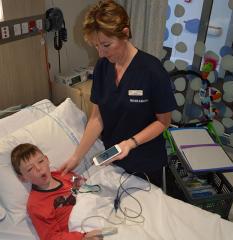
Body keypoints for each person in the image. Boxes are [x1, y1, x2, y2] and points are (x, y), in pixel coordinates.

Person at [60, 0, 177, 188]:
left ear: (125, 33)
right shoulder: (103, 67)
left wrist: (130, 143)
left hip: (145, 161)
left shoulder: (152, 71)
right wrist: (76, 157)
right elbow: (97, 118)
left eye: (106, 45)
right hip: (114, 159)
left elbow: (163, 122)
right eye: (96, 46)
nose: (100, 53)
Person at [11, 143, 103, 240]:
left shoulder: (64, 175)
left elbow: (87, 188)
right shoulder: (36, 205)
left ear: (47, 160)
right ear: (23, 178)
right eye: (30, 169)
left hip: (98, 213)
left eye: (41, 161)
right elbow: (51, 237)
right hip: (82, 231)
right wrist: (84, 237)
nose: (38, 168)